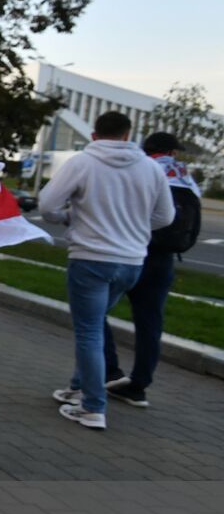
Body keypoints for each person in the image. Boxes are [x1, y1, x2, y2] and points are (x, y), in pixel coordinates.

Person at [38, 111, 174, 430]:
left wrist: (70, 217)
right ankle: (78, 385)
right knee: (95, 325)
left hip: (91, 258)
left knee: (88, 330)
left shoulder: (83, 162)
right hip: (131, 262)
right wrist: (135, 228)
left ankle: (92, 406)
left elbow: (47, 206)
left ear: (95, 135)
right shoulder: (151, 168)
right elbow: (165, 217)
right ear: (129, 135)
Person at [101, 131, 203, 407]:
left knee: (95, 311)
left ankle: (110, 371)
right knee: (150, 323)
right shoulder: (186, 178)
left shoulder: (140, 170)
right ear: (169, 152)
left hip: (131, 252)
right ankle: (138, 385)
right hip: (163, 260)